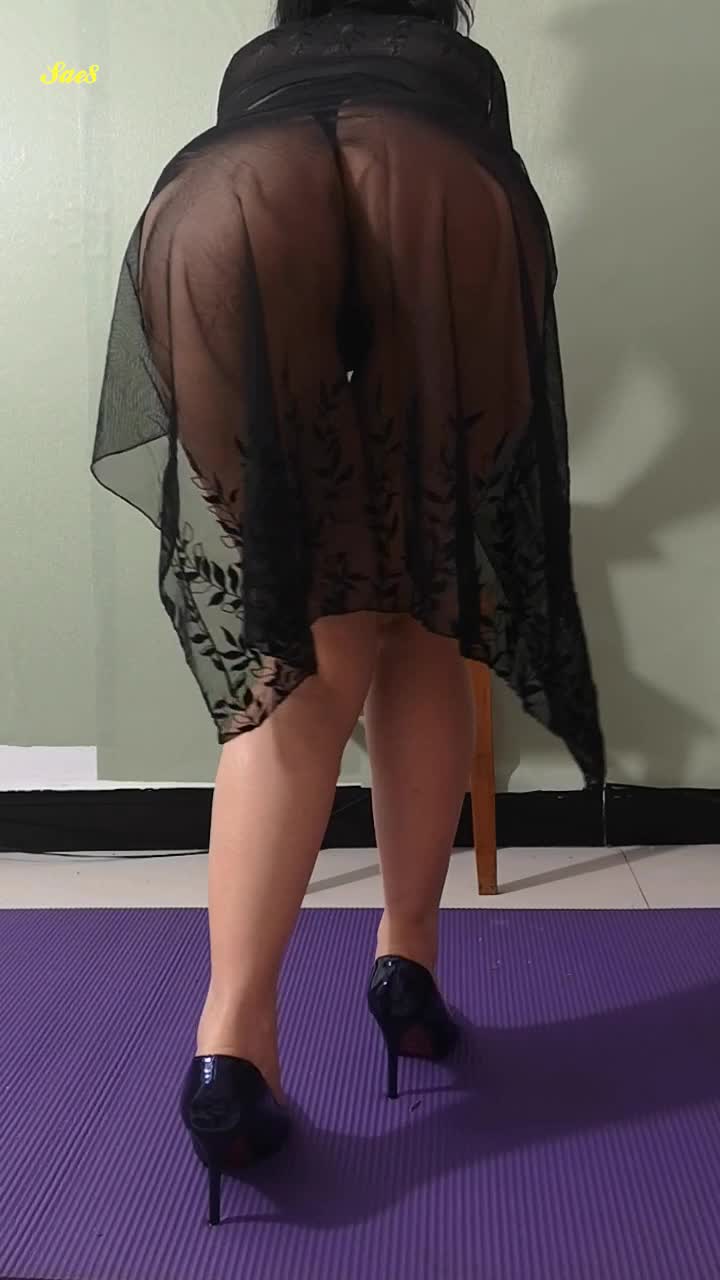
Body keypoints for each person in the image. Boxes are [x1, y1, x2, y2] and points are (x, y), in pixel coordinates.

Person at [91, 0, 605, 1226]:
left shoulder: (258, 63)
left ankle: (230, 1042)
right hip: (443, 184)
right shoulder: (459, 67)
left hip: (225, 195)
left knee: (299, 655)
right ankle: (406, 962)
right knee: (426, 611)